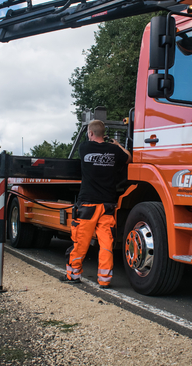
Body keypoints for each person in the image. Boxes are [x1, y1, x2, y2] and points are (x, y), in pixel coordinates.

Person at [62, 120, 131, 288]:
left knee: (81, 242)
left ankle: (73, 275)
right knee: (106, 243)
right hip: (107, 204)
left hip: (88, 204)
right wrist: (117, 144)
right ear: (104, 134)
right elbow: (128, 157)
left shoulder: (84, 148)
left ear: (91, 134)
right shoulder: (114, 150)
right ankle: (104, 279)